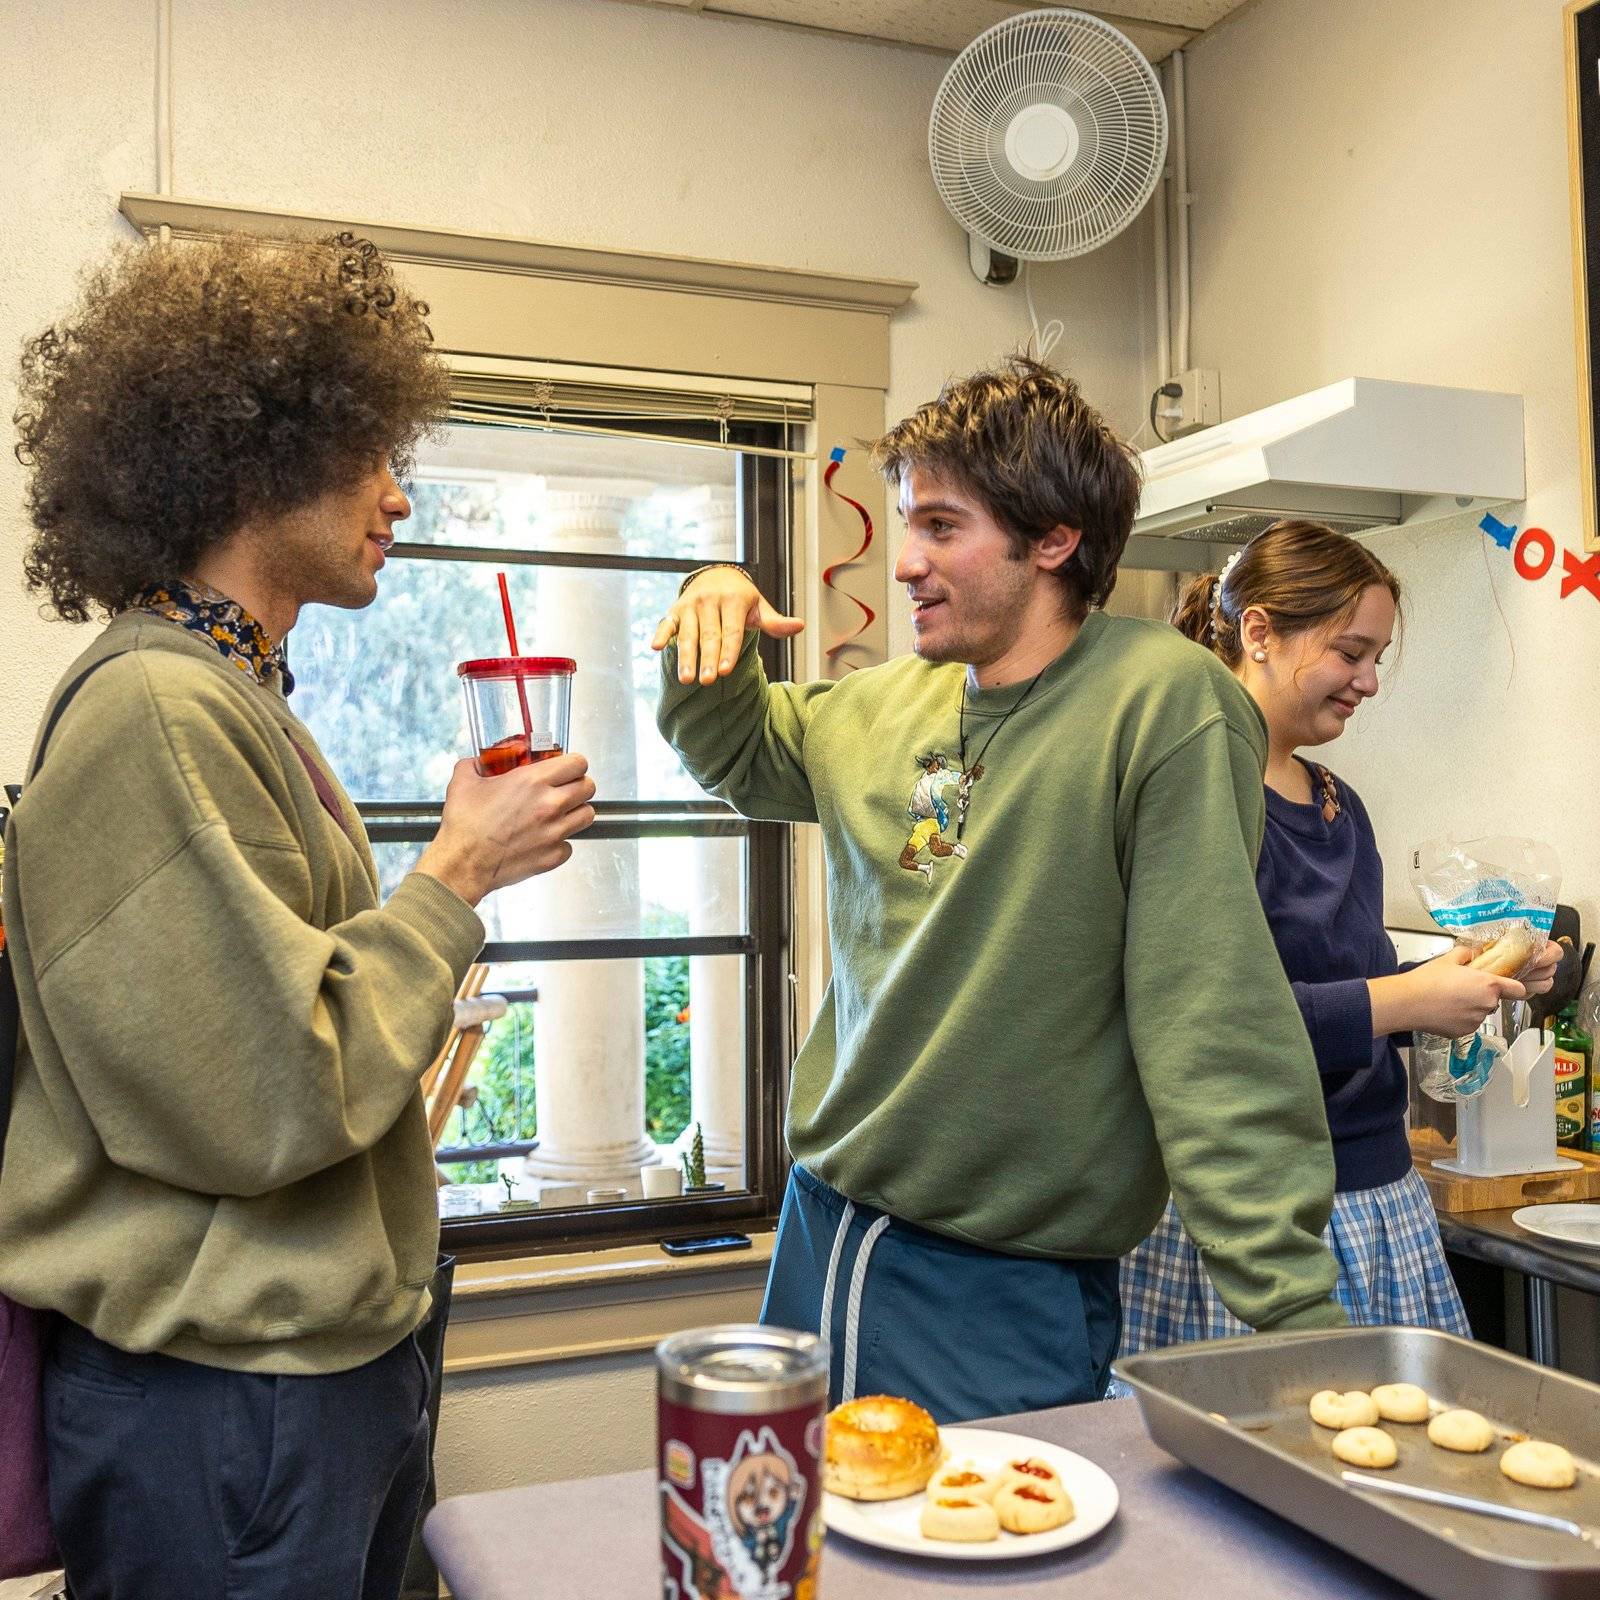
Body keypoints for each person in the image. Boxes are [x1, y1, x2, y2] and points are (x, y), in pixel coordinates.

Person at [0, 233, 595, 1599]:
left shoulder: (232, 700)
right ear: (258, 459)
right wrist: (453, 880)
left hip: (310, 1377)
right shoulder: (156, 713)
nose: (397, 491)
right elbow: (269, 1092)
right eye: (370, 450)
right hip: (230, 1407)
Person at [652, 357, 1347, 1426]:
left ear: (1054, 538)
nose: (905, 565)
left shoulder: (1163, 705)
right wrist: (712, 601)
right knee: (804, 1554)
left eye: (940, 527)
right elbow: (739, 752)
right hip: (823, 1231)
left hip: (1000, 1282)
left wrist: (1295, 1314)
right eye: (903, 526)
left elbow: (1208, 1016)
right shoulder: (888, 705)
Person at [1118, 520, 1559, 1353]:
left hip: (1373, 1189)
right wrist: (1405, 1001)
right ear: (1259, 631)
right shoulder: (1192, 790)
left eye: (1377, 659)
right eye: (1350, 652)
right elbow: (1202, 1024)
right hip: (1246, 1206)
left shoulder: (1335, 803)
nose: (1369, 683)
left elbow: (1354, 980)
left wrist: (1463, 979)